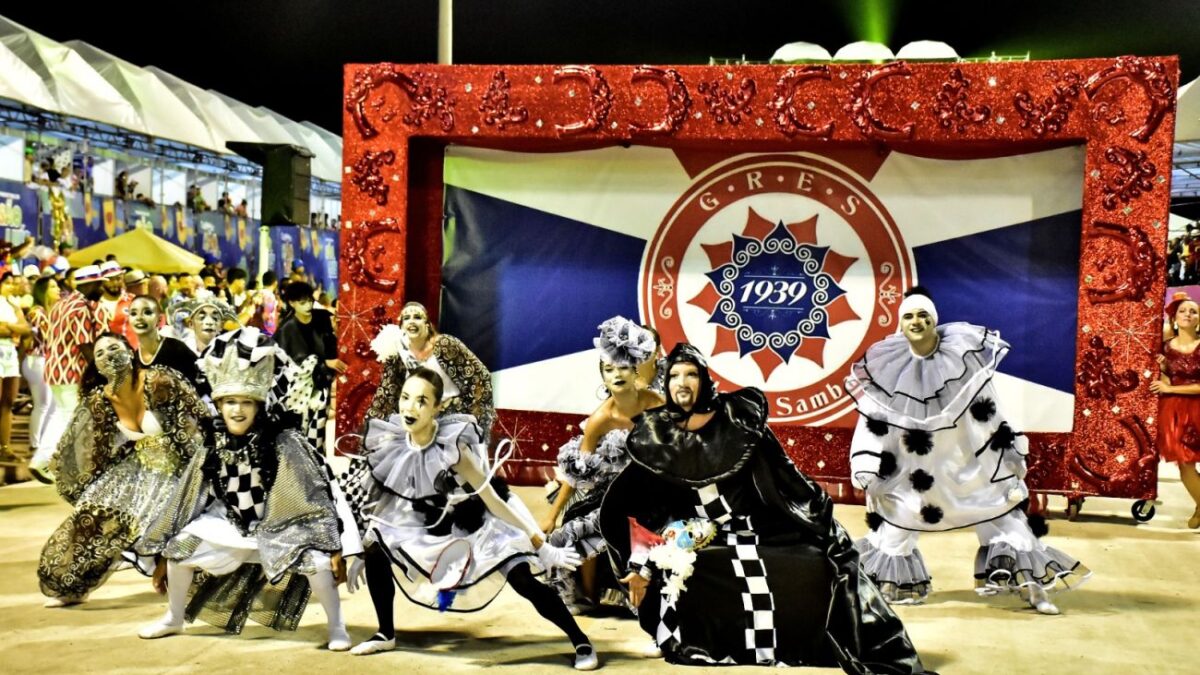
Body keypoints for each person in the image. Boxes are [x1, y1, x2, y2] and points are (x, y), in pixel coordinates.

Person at [598, 343, 926, 670]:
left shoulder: (738, 419)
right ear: (666, 383)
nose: (682, 382)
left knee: (813, 563)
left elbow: (786, 474)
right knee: (694, 568)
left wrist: (818, 516)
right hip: (694, 536)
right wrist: (639, 561)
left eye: (691, 374)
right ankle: (674, 635)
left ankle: (805, 641)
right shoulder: (655, 433)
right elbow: (631, 506)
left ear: (705, 380)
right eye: (674, 376)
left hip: (756, 527)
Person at [846, 287, 1090, 615]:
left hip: (966, 465)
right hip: (914, 473)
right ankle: (875, 595)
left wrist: (1009, 448)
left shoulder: (961, 358)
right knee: (896, 524)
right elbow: (874, 419)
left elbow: (990, 410)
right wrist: (866, 458)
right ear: (900, 324)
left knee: (1004, 516)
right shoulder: (889, 367)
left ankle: (1035, 591)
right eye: (909, 316)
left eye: (923, 315)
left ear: (934, 320)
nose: (916, 322)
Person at [346, 368, 598, 669]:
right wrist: (365, 543)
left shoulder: (453, 447)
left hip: (482, 517)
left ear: (437, 408)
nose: (409, 407)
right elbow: (393, 498)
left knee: (521, 579)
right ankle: (385, 633)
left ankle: (580, 639)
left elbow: (494, 500)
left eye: (422, 401)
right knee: (376, 549)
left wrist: (540, 544)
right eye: (405, 397)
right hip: (435, 521)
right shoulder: (397, 441)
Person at [135, 329, 357, 650]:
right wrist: (161, 548)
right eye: (229, 403)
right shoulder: (212, 442)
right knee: (180, 547)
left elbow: (317, 495)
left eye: (245, 403)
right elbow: (187, 496)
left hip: (280, 525)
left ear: (259, 405)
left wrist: (336, 546)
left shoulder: (285, 441)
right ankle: (174, 617)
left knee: (318, 564)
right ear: (220, 405)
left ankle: (337, 626)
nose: (237, 411)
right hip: (231, 525)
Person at [37, 333, 208, 606]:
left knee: (175, 520)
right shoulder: (99, 400)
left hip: (179, 465)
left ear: (131, 351)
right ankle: (73, 586)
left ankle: (185, 579)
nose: (108, 355)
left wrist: (201, 471)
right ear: (97, 365)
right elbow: (91, 448)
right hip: (137, 468)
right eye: (100, 353)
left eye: (115, 348)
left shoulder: (159, 381)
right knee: (92, 512)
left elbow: (197, 420)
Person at [542, 317, 663, 614]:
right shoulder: (600, 419)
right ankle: (585, 598)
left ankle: (646, 601)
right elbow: (579, 472)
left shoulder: (660, 399)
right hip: (613, 495)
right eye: (609, 369)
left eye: (623, 366)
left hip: (657, 492)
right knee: (573, 524)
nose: (617, 373)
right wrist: (553, 513)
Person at [373, 301, 494, 441]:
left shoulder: (445, 345)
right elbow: (385, 395)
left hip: (452, 420)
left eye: (417, 317)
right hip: (418, 420)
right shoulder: (398, 354)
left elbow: (480, 378)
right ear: (402, 326)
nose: (411, 322)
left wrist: (468, 411)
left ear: (427, 324)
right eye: (406, 318)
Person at [29, 265, 105, 479]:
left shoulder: (62, 304)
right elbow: (84, 344)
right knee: (73, 417)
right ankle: (51, 462)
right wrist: (98, 370)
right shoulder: (80, 307)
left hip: (54, 369)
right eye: (99, 283)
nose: (102, 287)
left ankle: (44, 460)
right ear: (89, 284)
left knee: (62, 414)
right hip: (71, 371)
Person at [275, 281, 344, 450]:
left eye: (309, 301)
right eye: (302, 302)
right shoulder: (286, 329)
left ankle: (318, 466)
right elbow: (286, 364)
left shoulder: (321, 317)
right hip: (298, 392)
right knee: (299, 435)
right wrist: (322, 362)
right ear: (292, 303)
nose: (308, 306)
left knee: (318, 434)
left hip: (321, 383)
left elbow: (330, 344)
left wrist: (335, 331)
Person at [1153, 292, 1200, 528]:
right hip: (1174, 413)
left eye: (1193, 311)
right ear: (1175, 317)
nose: (1188, 314)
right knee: (1185, 464)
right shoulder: (1166, 348)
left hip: (1197, 408)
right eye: (1183, 310)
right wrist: (1161, 371)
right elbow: (1164, 380)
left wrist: (1170, 388)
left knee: (1188, 464)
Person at [20, 275, 59, 475]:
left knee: (50, 405)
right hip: (37, 360)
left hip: (43, 360)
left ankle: (43, 446)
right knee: (43, 405)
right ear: (43, 290)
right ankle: (35, 445)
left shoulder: (48, 312)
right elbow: (47, 337)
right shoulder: (38, 313)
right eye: (53, 286)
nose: (57, 289)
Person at [128, 295, 204, 392]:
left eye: (147, 312)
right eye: (133, 313)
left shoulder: (177, 349)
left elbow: (201, 384)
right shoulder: (134, 361)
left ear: (160, 319)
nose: (139, 318)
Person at [0, 273, 32, 463]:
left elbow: (26, 328)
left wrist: (8, 326)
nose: (11, 287)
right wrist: (13, 329)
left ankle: (4, 446)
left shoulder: (12, 303)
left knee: (8, 401)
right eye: (7, 283)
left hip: (10, 353)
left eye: (12, 283)